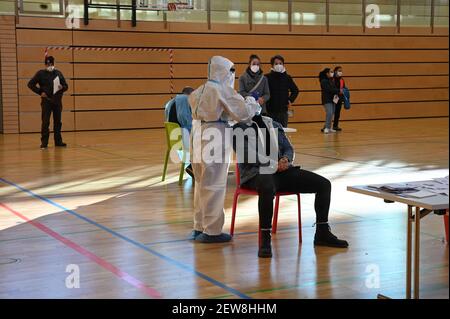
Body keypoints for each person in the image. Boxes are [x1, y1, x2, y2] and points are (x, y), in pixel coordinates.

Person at [233, 114, 349, 258]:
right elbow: (247, 155)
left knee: (324, 185)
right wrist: (273, 164)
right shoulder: (239, 128)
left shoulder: (274, 124)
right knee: (267, 187)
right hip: (257, 173)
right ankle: (265, 239)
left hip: (282, 172)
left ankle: (322, 232)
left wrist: (286, 159)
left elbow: (289, 148)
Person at [188, 56, 260, 243]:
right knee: (213, 182)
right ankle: (211, 231)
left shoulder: (197, 91)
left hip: (197, 133)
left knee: (200, 181)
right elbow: (243, 113)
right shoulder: (222, 90)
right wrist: (252, 102)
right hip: (215, 134)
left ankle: (199, 226)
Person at [28, 56, 69, 149]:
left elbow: (66, 86)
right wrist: (40, 92)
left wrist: (62, 87)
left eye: (51, 64)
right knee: (45, 122)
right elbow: (30, 84)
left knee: (58, 122)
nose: (49, 65)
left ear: (54, 64)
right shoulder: (40, 73)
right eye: (48, 64)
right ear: (45, 64)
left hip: (57, 102)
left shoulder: (58, 73)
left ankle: (58, 142)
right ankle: (44, 143)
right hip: (46, 102)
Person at [164, 86, 195, 178]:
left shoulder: (170, 102)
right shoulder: (185, 100)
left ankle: (193, 166)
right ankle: (195, 167)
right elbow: (187, 121)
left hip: (173, 139)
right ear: (190, 95)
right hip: (182, 138)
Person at [265, 55, 299, 128]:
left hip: (283, 112)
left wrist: (290, 100)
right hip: (270, 111)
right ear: (272, 65)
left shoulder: (287, 77)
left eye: (280, 63)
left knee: (282, 133)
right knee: (270, 134)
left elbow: (295, 90)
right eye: (276, 63)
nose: (278, 65)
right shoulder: (267, 77)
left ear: (283, 65)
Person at [319, 68, 340, 134]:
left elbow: (334, 88)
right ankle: (327, 128)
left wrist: (338, 91)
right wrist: (339, 90)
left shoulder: (331, 80)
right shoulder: (323, 81)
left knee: (332, 113)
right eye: (331, 72)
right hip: (327, 100)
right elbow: (329, 89)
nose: (332, 73)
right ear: (327, 73)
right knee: (329, 113)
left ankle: (328, 127)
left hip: (332, 99)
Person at [332, 66, 346, 131]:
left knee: (337, 112)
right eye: (339, 71)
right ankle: (326, 126)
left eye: (341, 71)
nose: (340, 72)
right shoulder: (332, 79)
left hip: (339, 97)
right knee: (331, 112)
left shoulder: (342, 79)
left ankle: (335, 126)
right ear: (335, 71)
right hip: (333, 96)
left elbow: (344, 87)